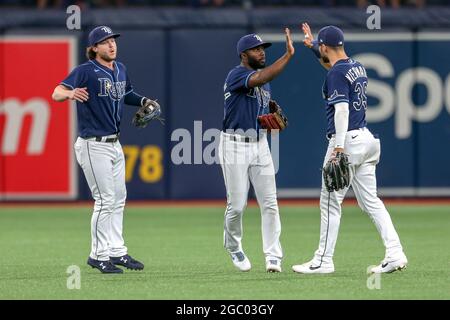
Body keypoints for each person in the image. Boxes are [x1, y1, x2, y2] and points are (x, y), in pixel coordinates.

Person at [292, 23, 407, 274]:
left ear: (325, 47)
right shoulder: (357, 66)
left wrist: (339, 148)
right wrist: (312, 45)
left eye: (319, 47)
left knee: (331, 203)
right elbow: (331, 63)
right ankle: (395, 252)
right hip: (367, 140)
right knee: (371, 202)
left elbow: (342, 110)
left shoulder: (335, 73)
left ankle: (323, 260)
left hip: (347, 142)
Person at [52, 26, 153, 274]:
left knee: (118, 199)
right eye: (105, 41)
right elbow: (55, 93)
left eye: (113, 40)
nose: (111, 45)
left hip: (114, 143)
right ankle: (97, 255)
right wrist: (70, 93)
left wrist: (143, 101)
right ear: (94, 48)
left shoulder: (120, 69)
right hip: (92, 144)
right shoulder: (85, 71)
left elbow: (126, 93)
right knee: (105, 200)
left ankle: (117, 251)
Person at [219, 30, 294, 272]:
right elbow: (261, 77)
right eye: (256, 49)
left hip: (260, 144)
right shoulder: (236, 74)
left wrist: (268, 119)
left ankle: (273, 255)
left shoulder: (263, 81)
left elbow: (257, 107)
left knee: (270, 202)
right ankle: (232, 245)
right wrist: (288, 55)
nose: (262, 52)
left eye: (263, 48)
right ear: (243, 54)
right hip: (234, 145)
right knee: (237, 205)